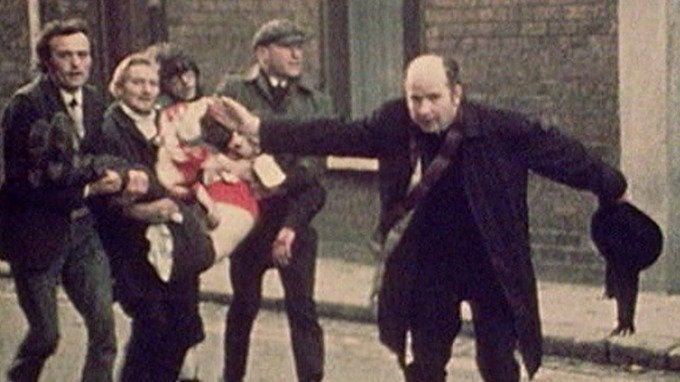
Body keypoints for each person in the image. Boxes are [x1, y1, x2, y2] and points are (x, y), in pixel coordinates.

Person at [215, 54, 630, 382]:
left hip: (492, 264)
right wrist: (259, 128)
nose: (425, 110)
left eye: (434, 98)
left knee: (499, 364)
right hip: (430, 266)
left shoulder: (499, 129)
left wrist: (612, 185)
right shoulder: (394, 123)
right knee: (426, 363)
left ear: (457, 94)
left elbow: (560, 153)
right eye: (416, 98)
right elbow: (337, 133)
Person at [0, 18, 148, 381]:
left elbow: (103, 155)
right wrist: (86, 188)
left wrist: (124, 175)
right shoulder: (26, 106)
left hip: (83, 231)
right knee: (46, 336)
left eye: (83, 55)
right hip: (36, 234)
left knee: (104, 333)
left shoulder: (96, 101)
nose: (76, 64)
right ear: (47, 62)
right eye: (65, 56)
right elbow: (17, 184)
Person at [216, 18, 332, 382]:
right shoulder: (234, 91)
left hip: (295, 218)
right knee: (244, 305)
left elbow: (315, 171)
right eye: (287, 46)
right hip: (249, 219)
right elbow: (217, 145)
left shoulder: (316, 101)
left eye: (300, 45)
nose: (297, 54)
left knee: (303, 310)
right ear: (262, 53)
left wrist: (271, 184)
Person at [94, 53, 214, 382]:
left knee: (185, 325)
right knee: (153, 325)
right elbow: (105, 192)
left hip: (176, 242)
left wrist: (202, 199)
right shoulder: (110, 126)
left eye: (151, 83)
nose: (146, 90)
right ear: (119, 87)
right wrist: (141, 209)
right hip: (133, 247)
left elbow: (191, 166)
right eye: (137, 83)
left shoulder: (167, 121)